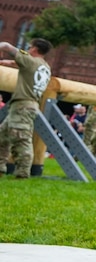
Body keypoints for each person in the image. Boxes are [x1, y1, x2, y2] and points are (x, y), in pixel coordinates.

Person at [0, 38, 52, 178]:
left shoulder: (30, 60)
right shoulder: (45, 66)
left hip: (23, 105)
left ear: (34, 49)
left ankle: (22, 173)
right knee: (2, 136)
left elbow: (6, 45)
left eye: (30, 47)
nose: (28, 49)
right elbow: (25, 65)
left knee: (21, 139)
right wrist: (8, 63)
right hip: (28, 105)